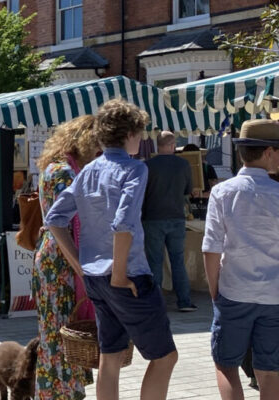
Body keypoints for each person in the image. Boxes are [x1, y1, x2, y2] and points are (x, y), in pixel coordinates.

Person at [45, 99, 178, 400]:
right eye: (140, 133)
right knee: (165, 357)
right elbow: (123, 223)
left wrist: (80, 265)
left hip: (96, 278)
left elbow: (54, 218)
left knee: (111, 355)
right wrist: (118, 274)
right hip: (126, 276)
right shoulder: (134, 169)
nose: (143, 139)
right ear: (129, 132)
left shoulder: (89, 170)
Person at [202, 119, 279, 399]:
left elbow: (211, 249)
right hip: (274, 295)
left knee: (226, 365)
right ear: (269, 152)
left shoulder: (223, 192)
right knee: (270, 371)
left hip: (234, 290)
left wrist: (214, 291)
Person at [33, 115, 100, 399]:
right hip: (61, 260)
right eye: (96, 143)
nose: (100, 151)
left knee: (58, 332)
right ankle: (60, 393)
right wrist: (80, 265)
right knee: (61, 333)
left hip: (55, 257)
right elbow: (66, 221)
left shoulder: (57, 167)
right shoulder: (65, 172)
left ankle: (63, 391)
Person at [142, 132, 196, 312]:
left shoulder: (147, 166)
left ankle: (155, 304)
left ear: (158, 145)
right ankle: (185, 302)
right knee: (178, 261)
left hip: (152, 218)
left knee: (154, 262)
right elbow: (188, 190)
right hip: (176, 217)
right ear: (173, 145)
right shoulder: (183, 164)